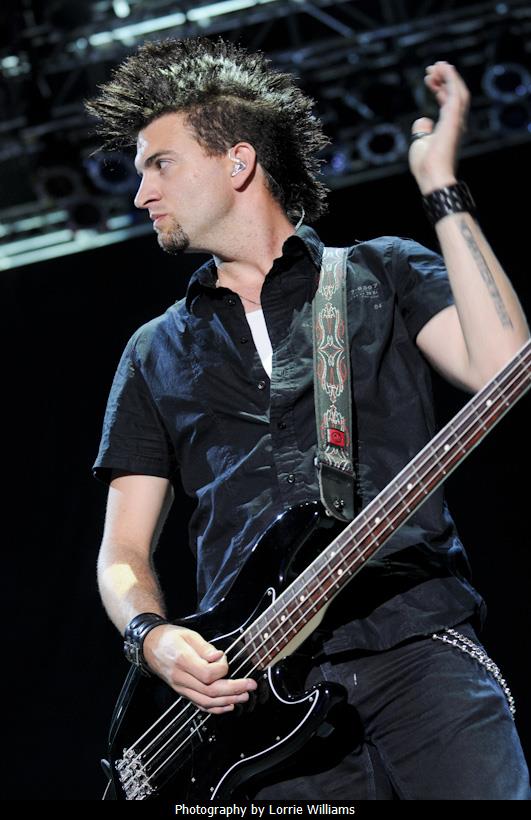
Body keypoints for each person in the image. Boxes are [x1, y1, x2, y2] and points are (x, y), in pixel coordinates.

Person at [89, 37, 530, 799]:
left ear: (237, 163)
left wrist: (438, 185)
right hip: (254, 704)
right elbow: (121, 551)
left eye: (159, 165)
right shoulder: (152, 351)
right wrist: (150, 637)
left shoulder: (380, 272)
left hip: (413, 645)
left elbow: (504, 370)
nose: (140, 195)